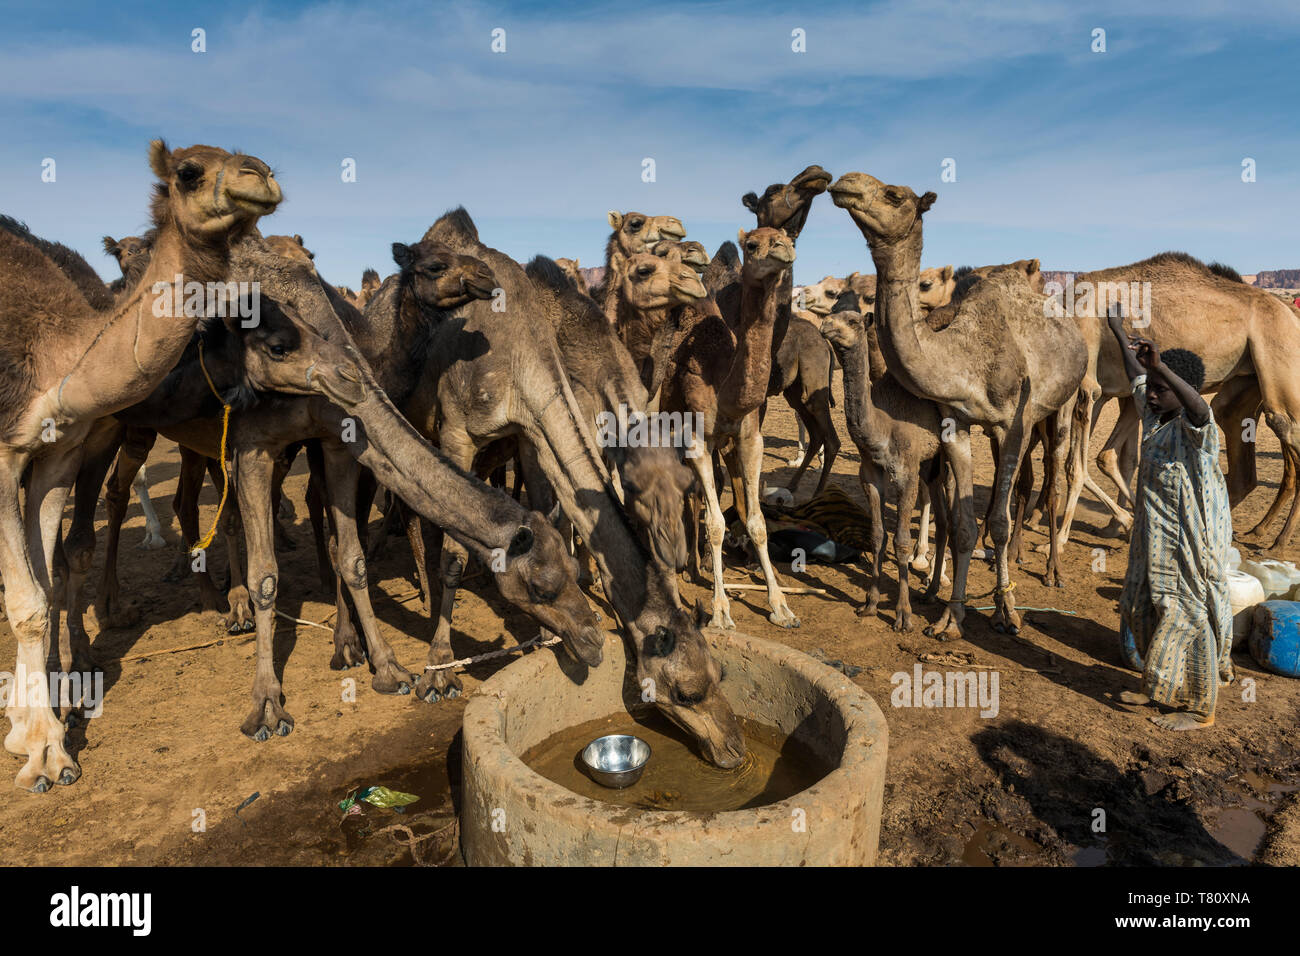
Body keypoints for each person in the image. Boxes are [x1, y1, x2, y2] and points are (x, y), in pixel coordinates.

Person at [1108, 311, 1234, 730]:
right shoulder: (1154, 416)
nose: (1154, 394)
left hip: (1190, 540)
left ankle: (1201, 709)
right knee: (1138, 604)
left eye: (1163, 389)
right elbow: (1138, 380)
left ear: (1184, 390)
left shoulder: (1198, 431)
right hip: (1153, 537)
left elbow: (1199, 410)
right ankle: (1157, 685)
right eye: (1155, 388)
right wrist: (1116, 330)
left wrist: (1161, 367)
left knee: (1187, 617)